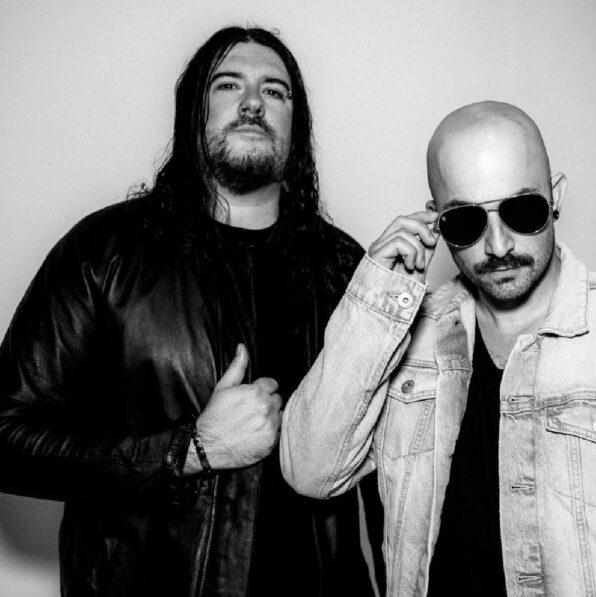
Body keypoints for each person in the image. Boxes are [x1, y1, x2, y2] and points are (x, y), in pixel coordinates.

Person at [281, 100, 596, 596]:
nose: (499, 245)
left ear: (556, 198)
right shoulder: (407, 340)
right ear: (435, 221)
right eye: (466, 222)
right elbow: (311, 472)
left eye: (522, 211)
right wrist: (378, 299)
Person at [0, 26, 383, 596]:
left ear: (296, 124)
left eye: (274, 91)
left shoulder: (347, 270)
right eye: (228, 85)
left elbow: (391, 472)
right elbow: (7, 437)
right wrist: (188, 449)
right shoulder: (104, 253)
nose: (252, 102)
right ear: (192, 113)